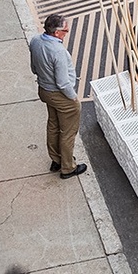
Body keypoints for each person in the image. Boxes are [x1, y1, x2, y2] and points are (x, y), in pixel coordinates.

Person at [28, 12, 86, 177]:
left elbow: (33, 68)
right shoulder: (58, 51)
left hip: (44, 90)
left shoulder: (35, 41)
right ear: (56, 33)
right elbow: (62, 82)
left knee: (53, 125)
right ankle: (68, 167)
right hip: (60, 94)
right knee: (68, 132)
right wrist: (73, 97)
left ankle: (56, 159)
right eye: (65, 30)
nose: (66, 33)